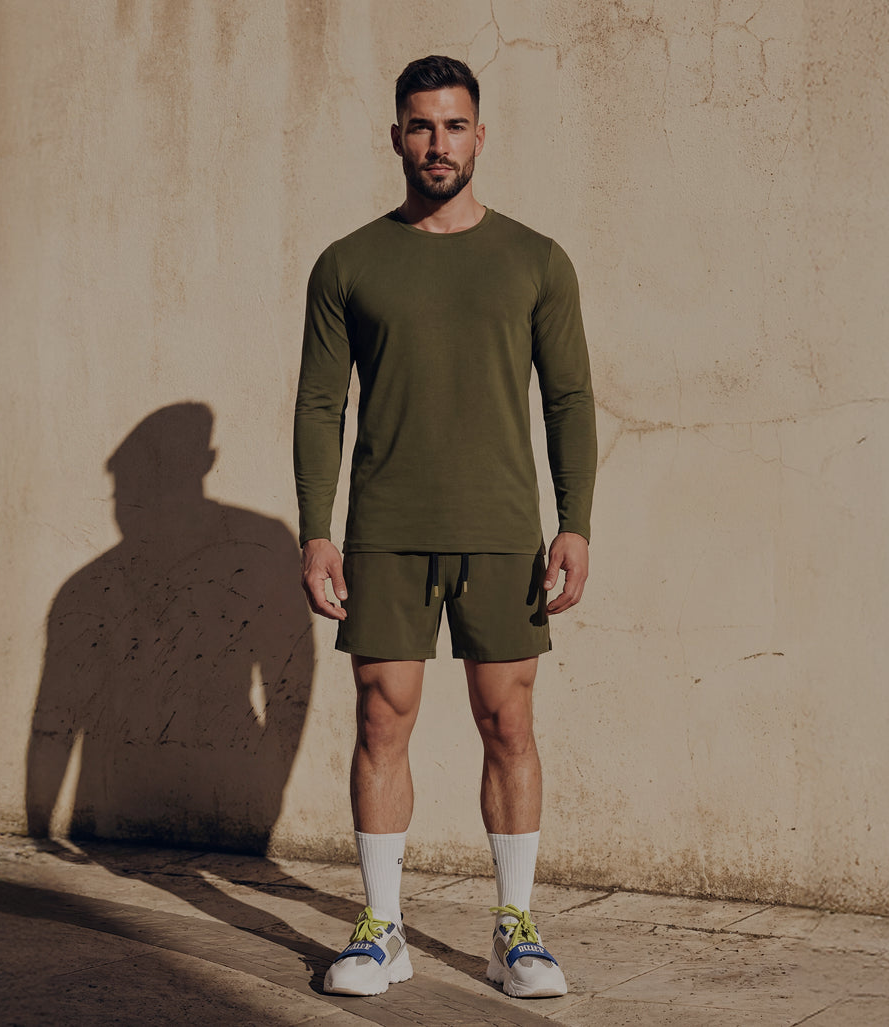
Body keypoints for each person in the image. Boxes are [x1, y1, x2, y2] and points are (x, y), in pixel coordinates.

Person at [291, 54, 597, 1000]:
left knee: (508, 721)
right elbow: (320, 405)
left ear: (480, 136)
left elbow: (569, 399)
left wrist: (575, 523)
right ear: (396, 136)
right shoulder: (348, 263)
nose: (437, 143)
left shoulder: (536, 260)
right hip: (386, 529)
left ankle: (515, 930)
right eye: (421, 126)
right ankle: (382, 928)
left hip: (502, 528)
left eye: (454, 125)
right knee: (382, 717)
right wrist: (315, 530)